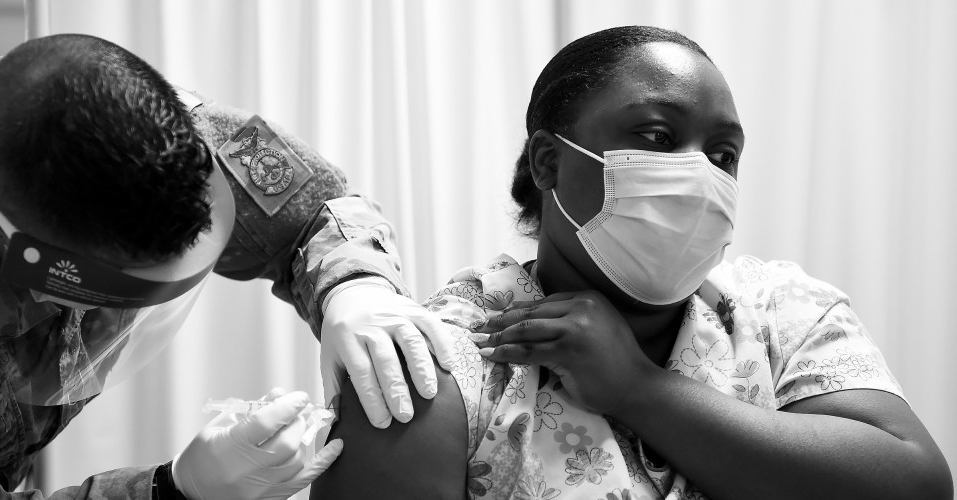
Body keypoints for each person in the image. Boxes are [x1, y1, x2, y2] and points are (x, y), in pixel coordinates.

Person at [311, 26, 953, 499]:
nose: (701, 173)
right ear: (548, 162)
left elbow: (915, 483)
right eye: (658, 138)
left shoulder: (783, 312)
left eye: (724, 154)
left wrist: (641, 391)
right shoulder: (438, 364)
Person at [0, 33, 458, 499]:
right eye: (98, 294)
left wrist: (356, 286)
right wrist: (171, 488)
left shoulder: (152, 132)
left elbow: (313, 211)